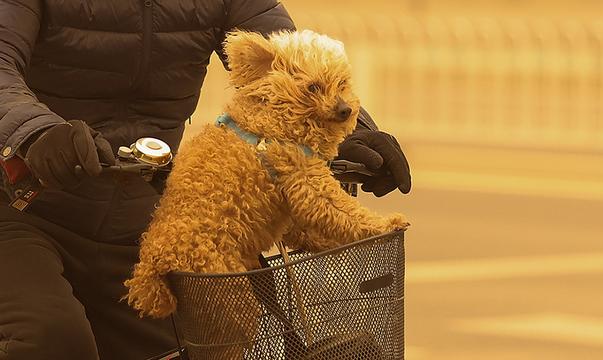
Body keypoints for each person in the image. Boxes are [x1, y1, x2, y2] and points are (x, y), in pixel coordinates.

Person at [0, 0, 412, 359]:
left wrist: (355, 136)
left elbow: (290, 59)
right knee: (50, 340)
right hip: (24, 209)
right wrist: (36, 131)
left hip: (143, 217)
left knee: (213, 344)